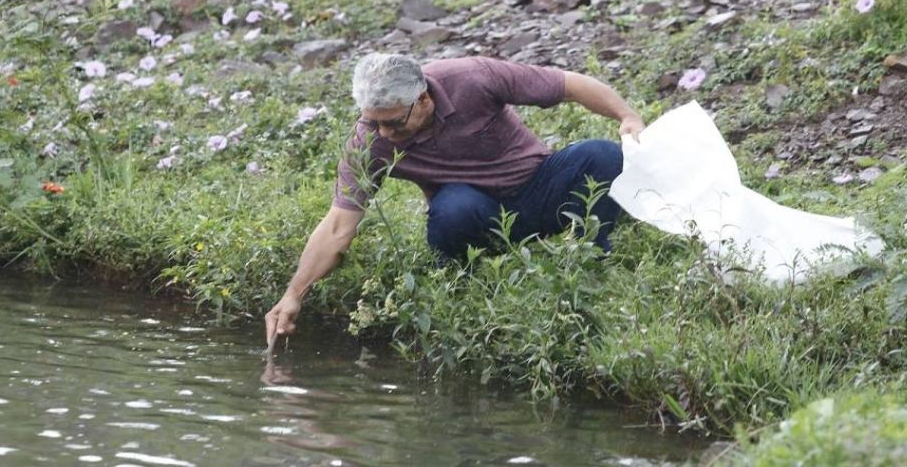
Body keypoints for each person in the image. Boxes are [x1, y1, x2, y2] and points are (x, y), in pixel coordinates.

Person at [264, 54, 645, 345]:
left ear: (423, 99)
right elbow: (337, 226)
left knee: (601, 154)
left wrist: (627, 116)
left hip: (538, 187)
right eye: (373, 122)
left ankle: (592, 261)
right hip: (476, 216)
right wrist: (293, 294)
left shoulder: (472, 77)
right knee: (452, 207)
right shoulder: (370, 142)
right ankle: (460, 289)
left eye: (394, 122)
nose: (384, 133)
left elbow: (569, 84)